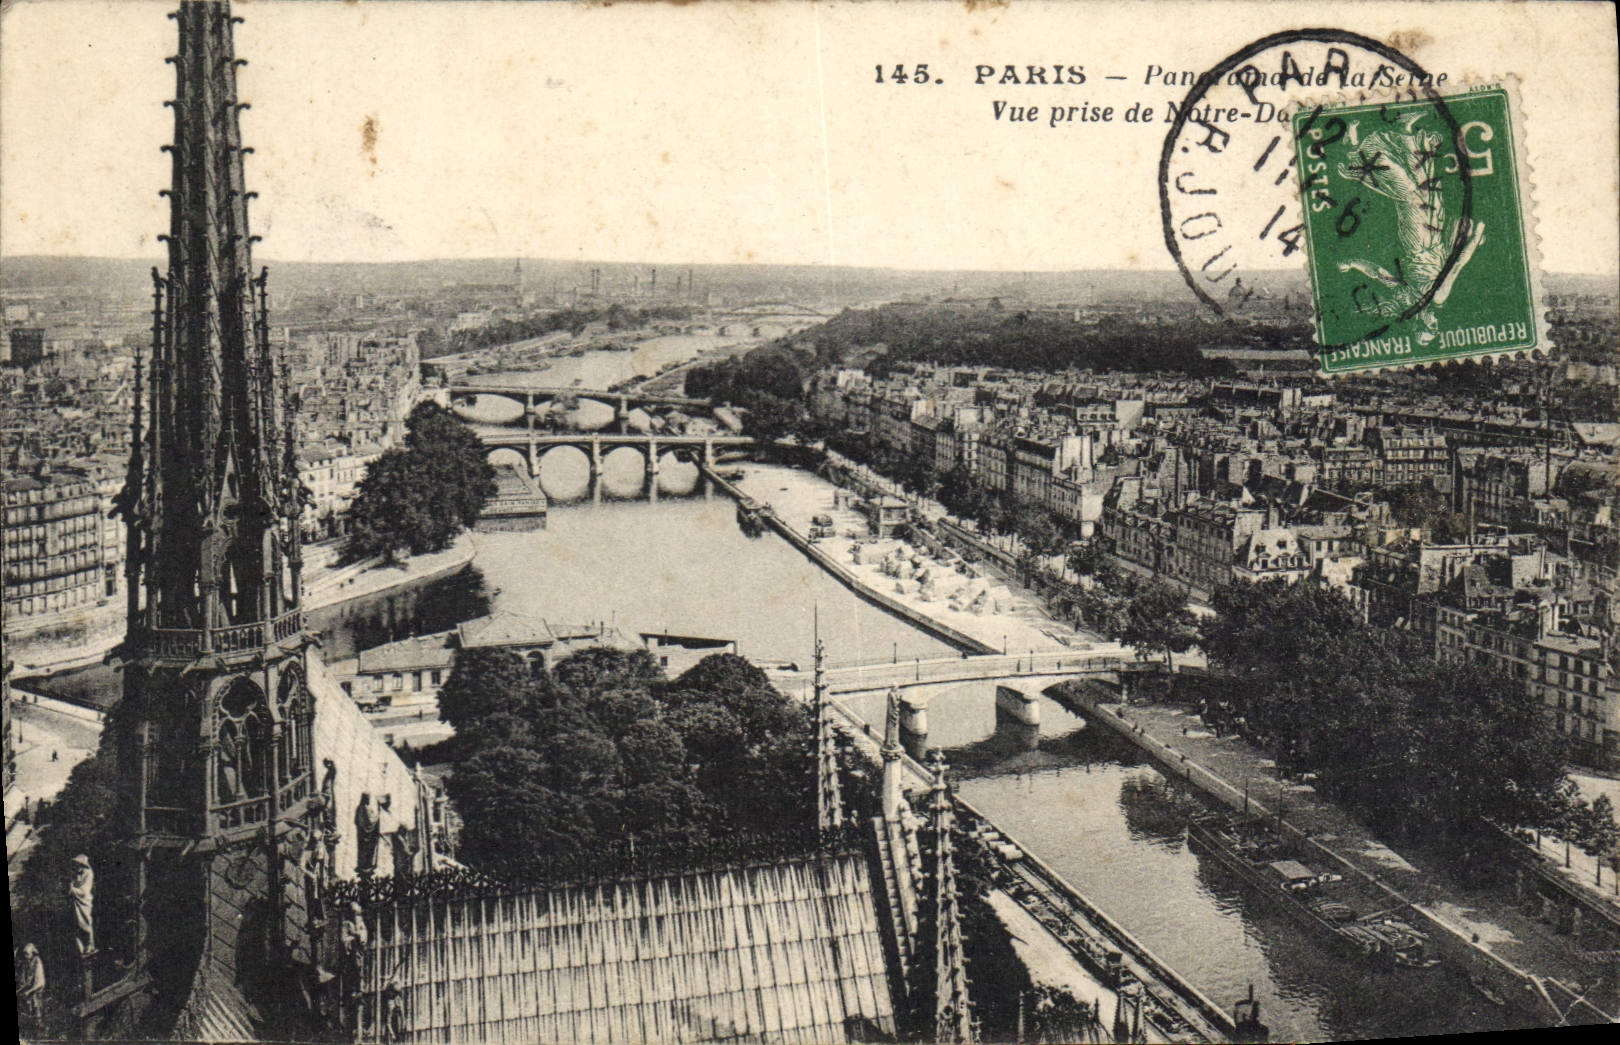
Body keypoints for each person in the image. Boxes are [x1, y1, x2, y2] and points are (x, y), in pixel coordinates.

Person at [70, 854, 96, 956]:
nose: (77, 866)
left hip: (84, 902)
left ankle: (89, 945)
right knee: (76, 925)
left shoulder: (88, 873)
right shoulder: (77, 873)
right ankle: (81, 948)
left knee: (85, 922)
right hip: (76, 902)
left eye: (78, 863)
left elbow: (84, 891)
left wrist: (72, 889)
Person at [19, 942, 46, 1025]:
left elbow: (40, 982)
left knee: (36, 1005)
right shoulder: (26, 962)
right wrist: (22, 988)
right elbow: (24, 978)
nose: (25, 956)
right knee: (28, 1005)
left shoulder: (38, 962)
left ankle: (39, 1023)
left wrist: (29, 991)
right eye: (24, 954)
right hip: (29, 987)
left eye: (27, 954)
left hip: (37, 988)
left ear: (33, 953)